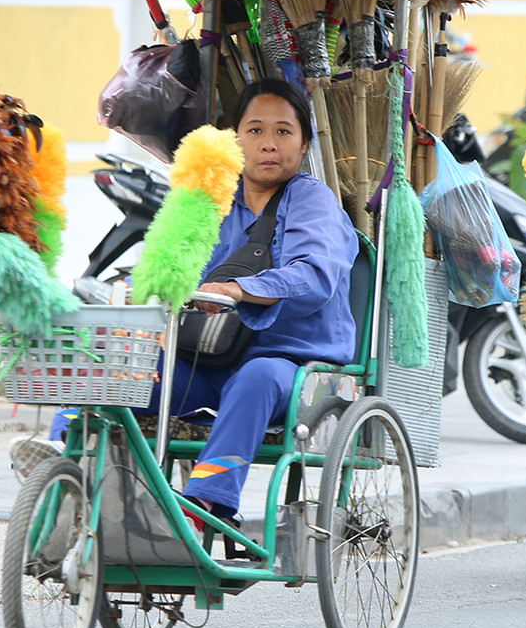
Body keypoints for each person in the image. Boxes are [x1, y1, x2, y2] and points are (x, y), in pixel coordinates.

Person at [44, 79, 358, 525]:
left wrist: (238, 290)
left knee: (256, 377)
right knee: (118, 366)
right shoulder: (212, 201)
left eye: (283, 132)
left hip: (292, 364)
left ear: (304, 144)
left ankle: (205, 504)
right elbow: (172, 264)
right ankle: (60, 454)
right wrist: (140, 289)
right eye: (255, 130)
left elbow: (314, 277)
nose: (269, 144)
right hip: (209, 356)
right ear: (235, 140)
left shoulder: (313, 201)